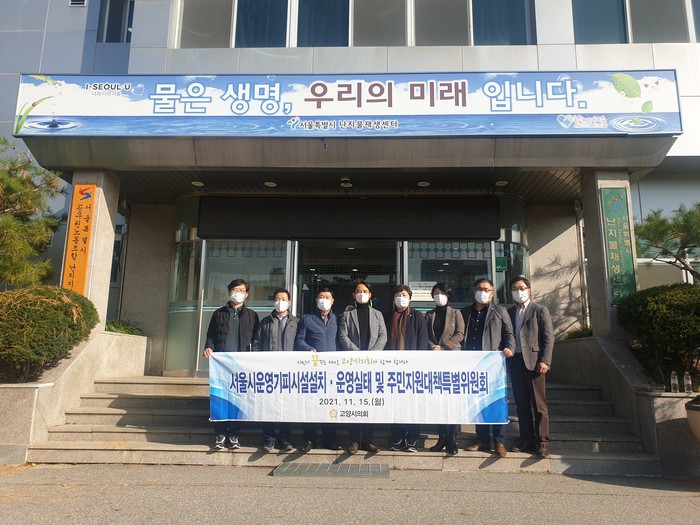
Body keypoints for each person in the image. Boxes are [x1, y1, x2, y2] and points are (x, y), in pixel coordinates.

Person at [460, 278, 515, 458]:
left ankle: (499, 441)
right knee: (478, 403)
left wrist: (510, 348)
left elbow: (509, 334)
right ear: (474, 291)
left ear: (492, 293)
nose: (482, 292)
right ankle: (482, 439)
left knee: (496, 402)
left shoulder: (500, 311)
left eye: (486, 289)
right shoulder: (465, 312)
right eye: (479, 289)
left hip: (493, 364)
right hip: (472, 365)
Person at [202, 278, 259, 450]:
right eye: (235, 290)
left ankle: (234, 434)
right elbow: (211, 335)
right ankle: (220, 433)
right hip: (222, 365)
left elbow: (256, 339)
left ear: (246, 294)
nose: (238, 293)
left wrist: (255, 358)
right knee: (220, 398)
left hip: (240, 365)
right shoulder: (219, 313)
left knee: (238, 399)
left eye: (241, 290)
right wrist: (208, 347)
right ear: (229, 292)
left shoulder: (252, 315)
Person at [507, 276, 554, 458]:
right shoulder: (510, 312)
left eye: (521, 288)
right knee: (521, 404)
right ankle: (526, 439)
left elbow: (548, 337)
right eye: (514, 288)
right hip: (516, 362)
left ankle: (542, 442)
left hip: (534, 363)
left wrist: (545, 361)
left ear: (529, 290)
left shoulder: (540, 310)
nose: (518, 291)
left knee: (539, 405)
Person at [338, 280, 387, 454]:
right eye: (358, 291)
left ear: (370, 294)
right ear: (354, 295)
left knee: (369, 403)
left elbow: (383, 335)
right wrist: (357, 353)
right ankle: (354, 440)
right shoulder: (347, 315)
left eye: (364, 291)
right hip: (353, 363)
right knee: (353, 403)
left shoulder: (378, 314)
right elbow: (343, 336)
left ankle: (368, 440)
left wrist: (371, 354)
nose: (361, 294)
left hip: (372, 364)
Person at [294, 288, 342, 452]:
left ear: (333, 301)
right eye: (321, 297)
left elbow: (342, 341)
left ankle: (330, 440)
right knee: (311, 404)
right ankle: (309, 440)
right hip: (313, 369)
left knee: (330, 404)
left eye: (327, 297)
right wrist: (308, 349)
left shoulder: (338, 319)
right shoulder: (307, 319)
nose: (324, 300)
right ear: (316, 300)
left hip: (333, 370)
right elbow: (299, 340)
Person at [384, 284, 429, 452]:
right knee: (394, 404)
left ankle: (412, 438)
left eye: (404, 295)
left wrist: (419, 364)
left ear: (410, 298)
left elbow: (422, 340)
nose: (400, 298)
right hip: (391, 368)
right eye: (397, 295)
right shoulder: (387, 315)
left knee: (412, 404)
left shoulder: (417, 316)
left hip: (412, 369)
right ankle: (397, 437)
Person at [254, 288, 298, 452]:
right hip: (269, 371)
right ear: (274, 301)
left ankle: (284, 439)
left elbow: (300, 344)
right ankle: (269, 438)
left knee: (288, 406)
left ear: (289, 302)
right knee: (267, 405)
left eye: (284, 299)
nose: (280, 302)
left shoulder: (296, 322)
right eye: (278, 299)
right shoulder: (265, 322)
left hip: (289, 372)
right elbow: (257, 344)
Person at [424, 282, 465, 455]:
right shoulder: (429, 314)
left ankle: (452, 439)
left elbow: (460, 334)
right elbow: (425, 335)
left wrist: (445, 346)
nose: (439, 296)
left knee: (452, 400)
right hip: (435, 359)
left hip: (451, 358)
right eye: (436, 293)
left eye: (442, 293)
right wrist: (433, 346)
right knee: (439, 400)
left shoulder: (456, 313)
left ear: (448, 295)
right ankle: (441, 437)